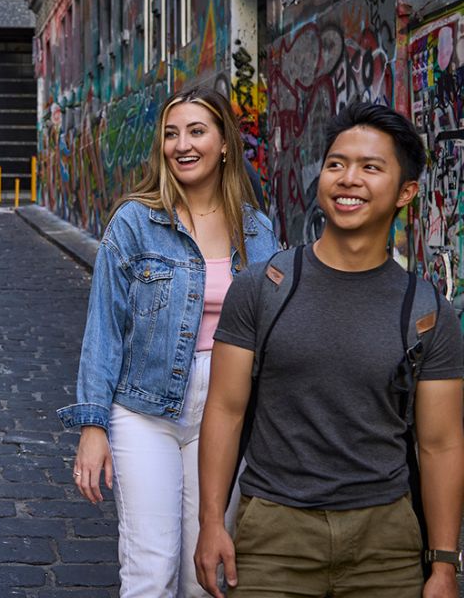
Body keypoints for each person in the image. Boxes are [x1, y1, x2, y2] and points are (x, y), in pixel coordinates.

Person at [195, 101, 464, 598]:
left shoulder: (427, 312)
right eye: (336, 164)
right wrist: (212, 522)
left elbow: (441, 444)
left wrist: (444, 565)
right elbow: (226, 411)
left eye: (370, 167)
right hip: (274, 535)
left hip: (386, 545)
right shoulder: (262, 287)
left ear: (406, 191)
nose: (348, 178)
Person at [59, 86, 278, 597]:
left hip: (227, 412)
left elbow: (273, 333)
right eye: (171, 133)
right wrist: (93, 427)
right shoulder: (135, 222)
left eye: (197, 131)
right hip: (144, 410)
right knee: (151, 571)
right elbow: (104, 330)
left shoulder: (258, 231)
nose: (182, 144)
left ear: (225, 143)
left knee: (208, 575)